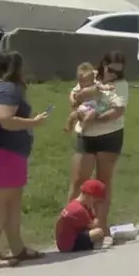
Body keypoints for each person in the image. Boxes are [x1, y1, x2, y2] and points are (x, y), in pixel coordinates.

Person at [0, 51, 50, 269]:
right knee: (0, 205)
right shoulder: (8, 89)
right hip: (3, 153)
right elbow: (4, 119)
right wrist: (33, 123)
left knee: (13, 203)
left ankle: (16, 248)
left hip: (4, 153)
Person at [69, 51, 129, 240]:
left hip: (109, 135)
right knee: (79, 180)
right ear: (103, 65)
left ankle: (100, 225)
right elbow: (74, 96)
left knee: (103, 182)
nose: (113, 74)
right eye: (110, 70)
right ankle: (69, 223)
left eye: (118, 72)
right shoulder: (90, 76)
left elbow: (118, 111)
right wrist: (78, 101)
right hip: (86, 136)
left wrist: (96, 119)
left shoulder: (121, 84)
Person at [55, 179, 107, 253]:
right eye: (96, 200)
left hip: (63, 243)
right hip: (70, 245)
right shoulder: (80, 210)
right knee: (98, 232)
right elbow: (95, 226)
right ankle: (94, 245)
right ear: (91, 197)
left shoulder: (74, 205)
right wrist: (99, 213)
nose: (96, 203)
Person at [65, 62, 116, 134]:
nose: (82, 83)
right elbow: (72, 93)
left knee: (89, 117)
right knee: (72, 115)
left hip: (94, 107)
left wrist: (109, 87)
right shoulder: (79, 86)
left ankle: (83, 130)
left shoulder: (96, 84)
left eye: (84, 81)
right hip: (84, 106)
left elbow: (102, 87)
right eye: (80, 81)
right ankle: (68, 128)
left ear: (92, 79)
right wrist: (72, 100)